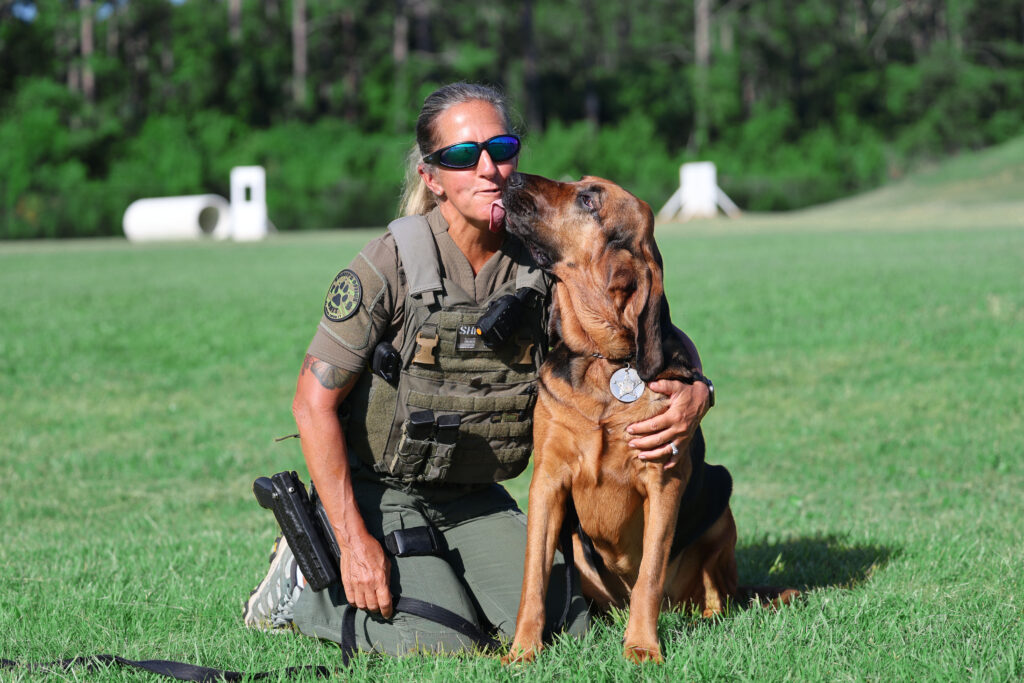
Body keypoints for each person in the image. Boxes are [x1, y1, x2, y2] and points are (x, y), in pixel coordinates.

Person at [242, 82, 712, 655]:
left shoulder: (541, 260)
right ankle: (298, 580)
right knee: (442, 640)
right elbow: (310, 405)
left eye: (501, 147)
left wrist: (697, 389)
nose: (489, 168)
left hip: (474, 498)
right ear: (432, 176)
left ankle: (440, 571)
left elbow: (640, 322)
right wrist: (354, 539)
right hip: (383, 493)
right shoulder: (389, 264)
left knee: (569, 623)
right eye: (463, 156)